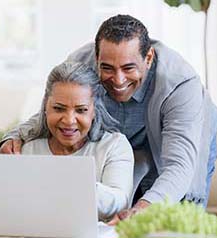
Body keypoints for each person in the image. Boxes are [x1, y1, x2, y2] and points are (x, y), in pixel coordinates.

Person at [0, 15, 217, 223]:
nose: (118, 80)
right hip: (124, 138)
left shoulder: (180, 83)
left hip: (178, 143)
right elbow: (56, 110)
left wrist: (144, 208)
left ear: (149, 57)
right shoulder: (80, 63)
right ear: (96, 58)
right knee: (123, 217)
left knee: (173, 213)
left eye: (128, 68)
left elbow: (179, 167)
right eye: (108, 68)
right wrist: (17, 135)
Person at [20, 61, 134, 221]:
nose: (69, 120)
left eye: (81, 110)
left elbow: (119, 202)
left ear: (95, 110)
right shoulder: (28, 148)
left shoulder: (113, 146)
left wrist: (73, 184)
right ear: (46, 106)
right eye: (59, 108)